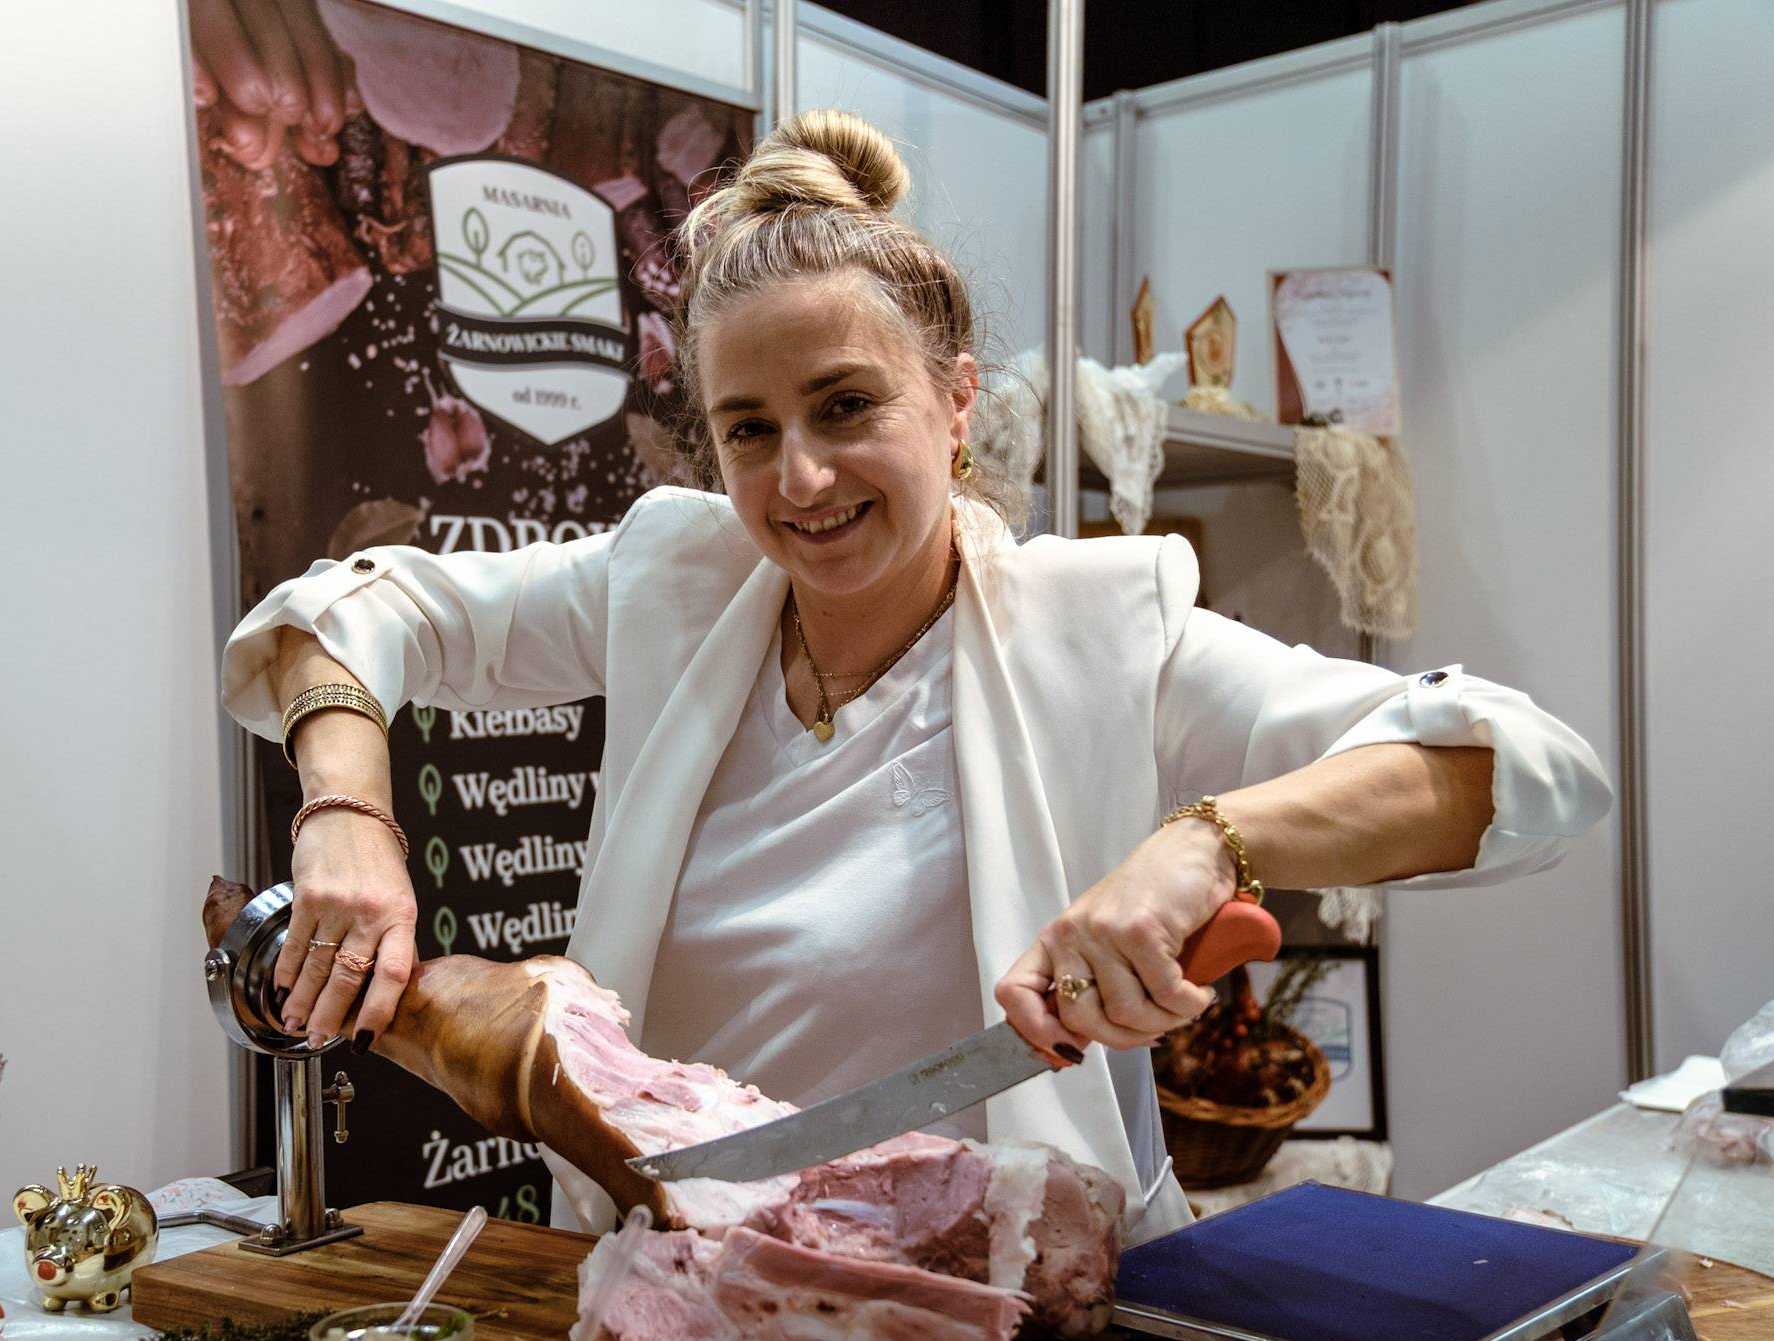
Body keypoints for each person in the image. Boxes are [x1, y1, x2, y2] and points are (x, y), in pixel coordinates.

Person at [220, 111, 1610, 1239]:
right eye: (748, 428)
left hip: (1006, 1314)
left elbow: (1525, 764)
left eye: (846, 406)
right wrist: (346, 812)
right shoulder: (676, 583)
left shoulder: (1096, 628)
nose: (799, 478)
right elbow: (349, 608)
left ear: (955, 402)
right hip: (678, 1285)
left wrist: (1209, 843)